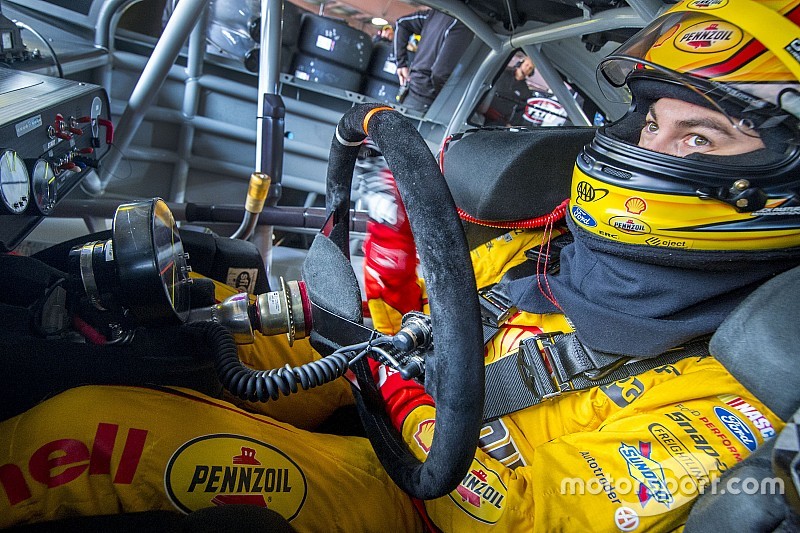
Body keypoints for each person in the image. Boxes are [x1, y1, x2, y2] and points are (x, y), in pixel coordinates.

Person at [2, 3, 799, 532]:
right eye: (651, 121)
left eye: (696, 139)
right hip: (389, 408)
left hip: (419, 503)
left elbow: (509, 511)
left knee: (91, 435)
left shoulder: (743, 395)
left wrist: (394, 383)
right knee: (146, 302)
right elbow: (407, 326)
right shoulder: (548, 249)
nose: (645, 149)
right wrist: (359, 271)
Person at [393, 8, 474, 112]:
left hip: (412, 92)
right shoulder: (464, 24)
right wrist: (449, 98)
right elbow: (440, 73)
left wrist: (400, 63)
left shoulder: (435, 13)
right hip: (429, 102)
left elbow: (402, 23)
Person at [483, 55, 536, 126]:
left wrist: (510, 124)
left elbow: (520, 111)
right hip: (483, 110)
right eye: (527, 65)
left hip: (499, 121)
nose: (527, 68)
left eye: (530, 68)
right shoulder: (502, 72)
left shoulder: (525, 91)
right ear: (521, 63)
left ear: (531, 73)